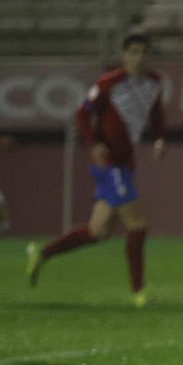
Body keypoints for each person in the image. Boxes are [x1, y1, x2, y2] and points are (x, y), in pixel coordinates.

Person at [26, 34, 166, 305]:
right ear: (124, 56)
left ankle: (41, 253)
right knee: (138, 225)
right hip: (109, 163)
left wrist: (161, 137)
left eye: (144, 53)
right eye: (134, 52)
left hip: (125, 163)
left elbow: (156, 113)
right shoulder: (108, 84)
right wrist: (94, 145)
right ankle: (139, 292)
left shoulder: (154, 84)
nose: (139, 58)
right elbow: (81, 114)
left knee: (97, 231)